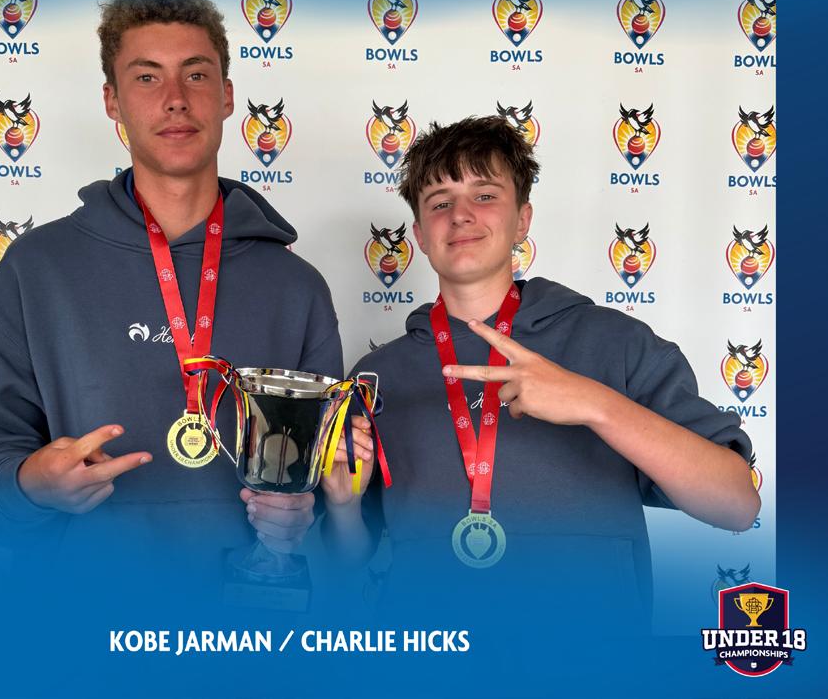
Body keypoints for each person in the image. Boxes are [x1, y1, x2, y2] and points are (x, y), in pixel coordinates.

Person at [0, 0, 343, 569]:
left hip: (246, 612)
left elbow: (329, 478)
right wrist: (33, 484)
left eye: (196, 74)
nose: (175, 98)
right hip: (87, 609)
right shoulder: (38, 268)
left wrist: (301, 511)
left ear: (227, 95)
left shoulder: (296, 287)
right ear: (112, 101)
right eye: (147, 77)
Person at [323, 116, 760, 620]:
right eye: (440, 202)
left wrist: (595, 403)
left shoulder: (615, 342)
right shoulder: (377, 374)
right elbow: (351, 556)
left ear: (522, 220)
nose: (460, 215)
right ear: (420, 234)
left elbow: (737, 504)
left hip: (586, 656)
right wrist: (343, 508)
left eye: (485, 195)